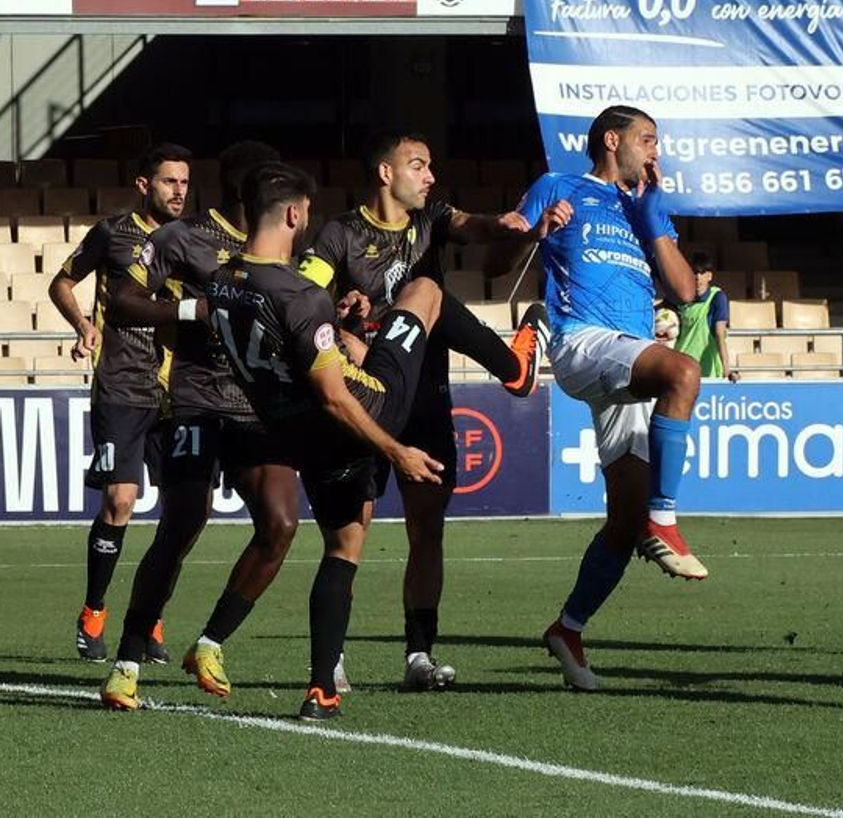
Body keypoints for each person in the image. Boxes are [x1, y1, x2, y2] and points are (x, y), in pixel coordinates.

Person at [296, 130, 550, 692]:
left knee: (426, 531)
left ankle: (418, 655)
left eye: (431, 166)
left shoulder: (432, 217)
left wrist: (513, 225)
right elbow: (301, 302)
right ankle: (332, 656)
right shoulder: (340, 233)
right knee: (351, 533)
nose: (430, 176)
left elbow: (473, 227)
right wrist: (342, 327)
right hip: (368, 399)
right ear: (386, 173)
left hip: (427, 402)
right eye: (418, 165)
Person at [206, 162, 445, 720]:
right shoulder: (298, 295)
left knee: (344, 546)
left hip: (299, 435)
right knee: (427, 291)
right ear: (294, 213)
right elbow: (339, 397)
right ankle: (518, 361)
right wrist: (396, 449)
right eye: (306, 213)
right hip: (370, 405)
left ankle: (323, 689)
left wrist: (334, 331)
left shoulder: (221, 282)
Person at [100, 141, 301, 710]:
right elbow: (122, 302)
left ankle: (209, 642)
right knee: (183, 523)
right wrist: (192, 311)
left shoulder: (282, 243)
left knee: (282, 523)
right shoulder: (181, 237)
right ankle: (127, 661)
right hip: (197, 399)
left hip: (260, 404)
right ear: (252, 189)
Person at [520, 105, 702, 691]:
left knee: (622, 521)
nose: (655, 150)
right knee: (683, 373)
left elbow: (685, 292)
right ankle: (666, 516)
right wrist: (540, 226)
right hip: (584, 342)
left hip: (627, 353)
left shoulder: (641, 205)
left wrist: (653, 217)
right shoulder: (560, 186)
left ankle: (568, 628)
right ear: (611, 139)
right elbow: (505, 258)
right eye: (648, 139)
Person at [50, 143, 190, 664]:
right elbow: (61, 282)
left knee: (181, 513)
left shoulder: (193, 239)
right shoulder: (112, 234)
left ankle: (150, 617)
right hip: (122, 385)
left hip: (179, 391)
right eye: (169, 181)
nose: (178, 190)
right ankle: (93, 612)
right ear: (143, 185)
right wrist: (85, 325)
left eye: (184, 182)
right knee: (120, 502)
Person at [671, 251, 738, 382]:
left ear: (709, 276)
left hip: (709, 374)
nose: (698, 277)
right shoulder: (680, 298)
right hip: (682, 371)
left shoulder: (717, 298)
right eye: (694, 272)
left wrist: (727, 369)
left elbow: (720, 334)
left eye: (702, 273)